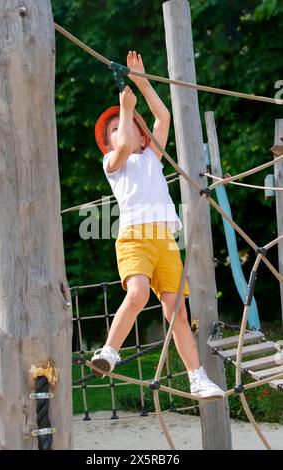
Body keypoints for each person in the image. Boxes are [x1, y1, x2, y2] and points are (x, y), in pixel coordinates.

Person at [92, 51, 224, 399]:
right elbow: (121, 144)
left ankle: (197, 376)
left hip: (165, 240)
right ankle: (109, 351)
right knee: (136, 294)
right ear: (109, 143)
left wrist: (142, 83)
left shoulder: (150, 155)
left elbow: (162, 116)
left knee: (176, 312)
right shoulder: (113, 162)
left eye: (130, 127)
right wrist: (125, 108)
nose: (123, 131)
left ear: (142, 136)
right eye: (116, 130)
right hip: (135, 237)